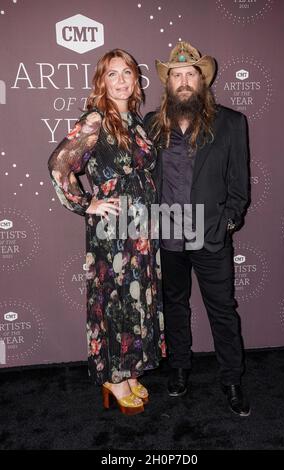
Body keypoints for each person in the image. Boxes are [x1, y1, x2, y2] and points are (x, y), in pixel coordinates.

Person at [48, 49, 166, 416]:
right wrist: (87, 204)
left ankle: (129, 371)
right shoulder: (96, 119)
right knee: (115, 299)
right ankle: (113, 377)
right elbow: (58, 165)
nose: (120, 80)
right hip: (113, 229)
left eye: (127, 72)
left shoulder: (135, 121)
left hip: (142, 227)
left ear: (136, 80)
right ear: (102, 81)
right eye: (112, 74)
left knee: (136, 298)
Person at [144, 41, 251, 416]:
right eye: (177, 75)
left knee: (222, 310)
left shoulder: (232, 123)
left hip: (209, 235)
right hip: (168, 235)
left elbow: (240, 187)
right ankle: (179, 369)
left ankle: (233, 380)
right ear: (168, 83)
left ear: (203, 80)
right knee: (174, 306)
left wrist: (228, 223)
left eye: (191, 74)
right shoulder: (150, 125)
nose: (184, 81)